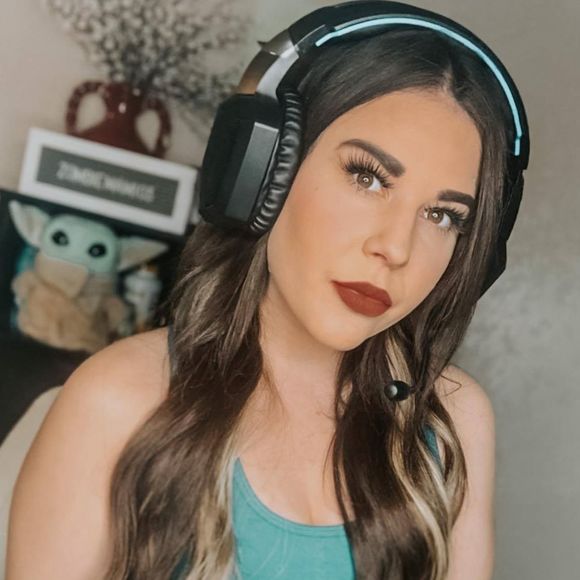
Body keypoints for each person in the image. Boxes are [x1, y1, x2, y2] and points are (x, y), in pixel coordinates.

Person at [6, 2, 529, 579]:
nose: (396, 248)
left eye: (442, 216)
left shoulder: (453, 423)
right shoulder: (118, 400)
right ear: (260, 173)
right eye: (366, 177)